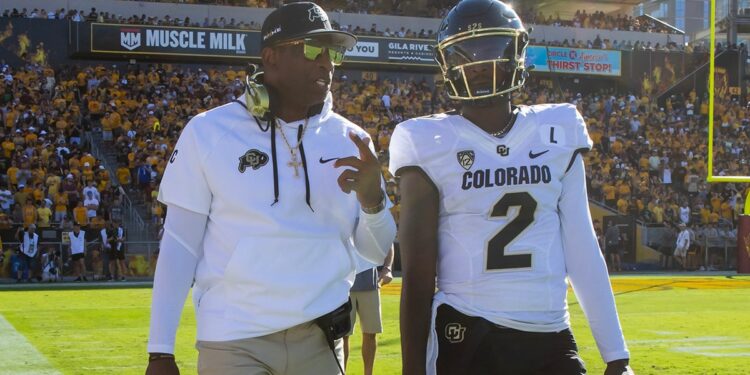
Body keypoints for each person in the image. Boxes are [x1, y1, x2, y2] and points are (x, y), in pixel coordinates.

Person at [145, 3, 396, 375]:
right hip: (233, 339)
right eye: (313, 49)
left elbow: (374, 254)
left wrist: (374, 203)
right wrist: (160, 351)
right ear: (271, 57)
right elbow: (180, 244)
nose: (326, 62)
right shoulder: (209, 131)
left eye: (333, 52)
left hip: (322, 338)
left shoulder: (352, 139)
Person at [389, 1, 633, 374]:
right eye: (466, 53)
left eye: (491, 50)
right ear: (448, 64)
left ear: (516, 54)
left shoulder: (558, 128)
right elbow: (419, 274)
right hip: (468, 329)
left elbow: (582, 246)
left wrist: (617, 355)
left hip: (549, 331)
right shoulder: (426, 138)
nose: (479, 63)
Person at [343, 246, 394, 375]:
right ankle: (341, 372)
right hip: (343, 286)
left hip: (370, 284)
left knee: (370, 334)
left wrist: (387, 269)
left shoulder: (371, 224)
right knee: (342, 335)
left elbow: (387, 242)